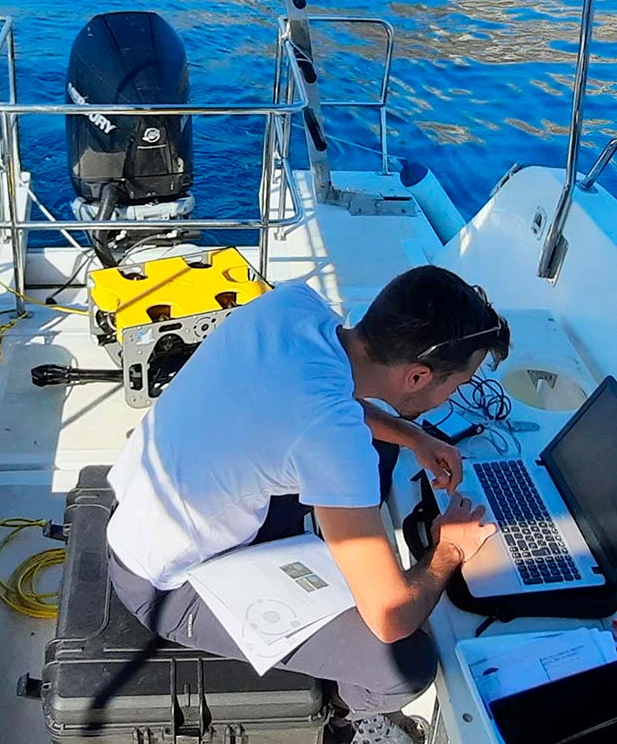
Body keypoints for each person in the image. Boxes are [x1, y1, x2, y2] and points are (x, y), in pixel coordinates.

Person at [106, 265, 510, 744]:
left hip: (140, 511)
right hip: (165, 586)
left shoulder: (293, 305)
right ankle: (347, 716)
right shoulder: (331, 436)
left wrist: (412, 435)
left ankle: (351, 542)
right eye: (456, 386)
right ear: (418, 375)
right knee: (406, 665)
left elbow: (322, 400)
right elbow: (390, 618)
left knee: (378, 444)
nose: (452, 396)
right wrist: (449, 549)